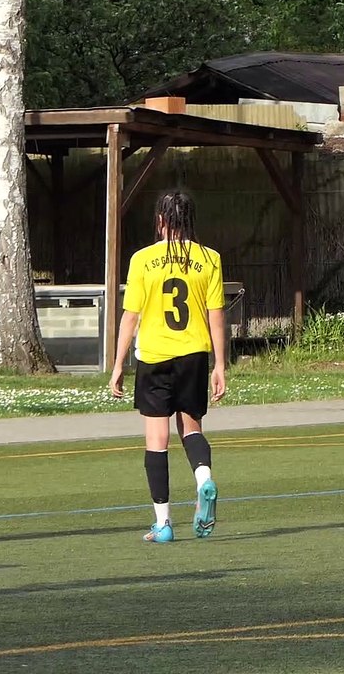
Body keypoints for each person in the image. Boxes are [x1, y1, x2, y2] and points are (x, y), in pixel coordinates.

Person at [110, 189, 227, 543]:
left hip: (154, 356)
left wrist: (118, 364)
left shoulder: (142, 259)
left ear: (161, 221)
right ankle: (204, 479)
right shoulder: (210, 258)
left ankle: (163, 524)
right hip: (194, 355)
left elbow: (131, 316)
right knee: (191, 429)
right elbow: (216, 315)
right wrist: (220, 365)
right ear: (190, 221)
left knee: (157, 440)